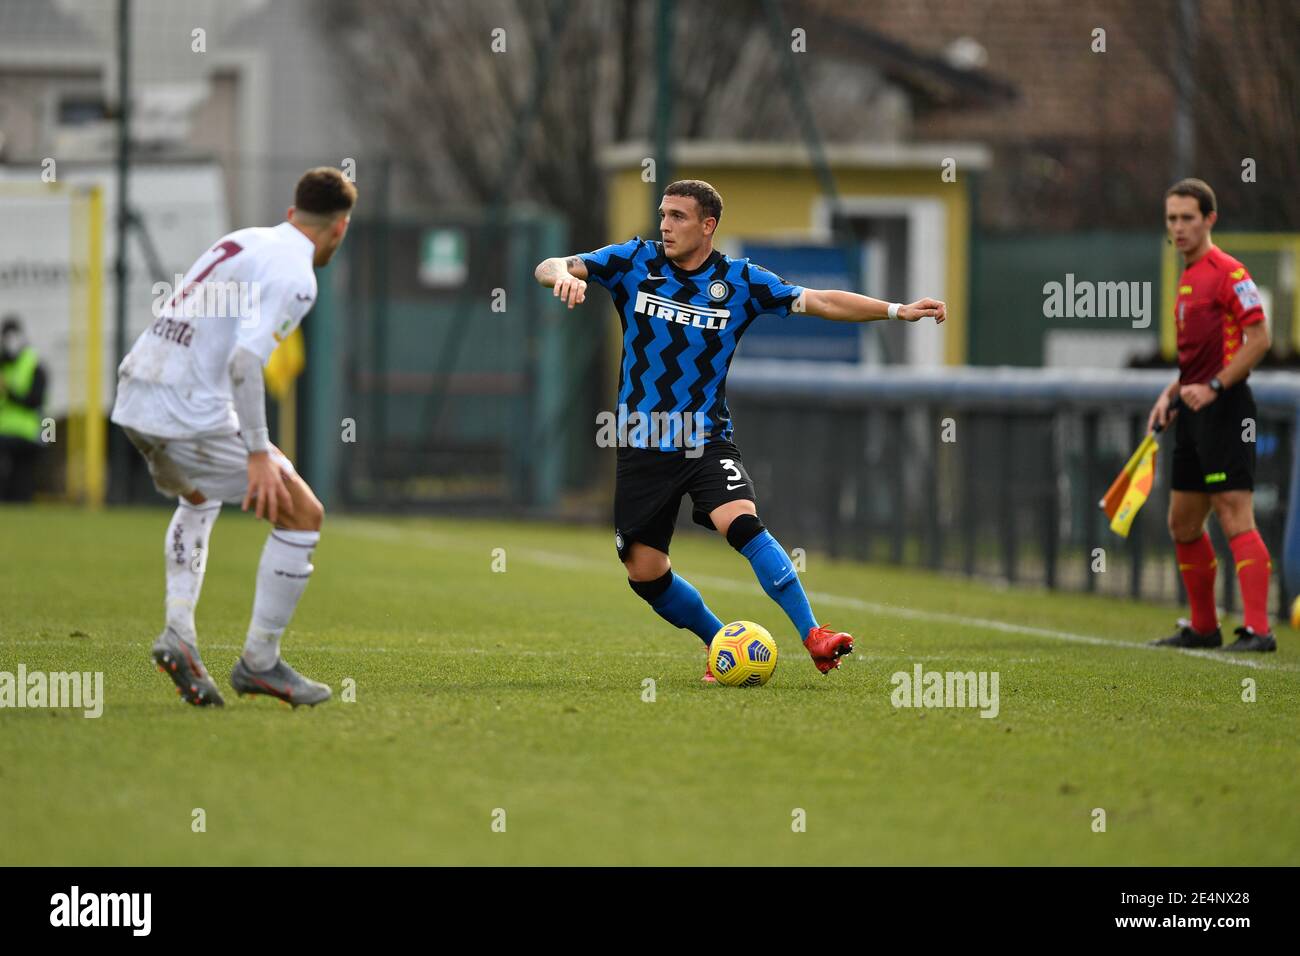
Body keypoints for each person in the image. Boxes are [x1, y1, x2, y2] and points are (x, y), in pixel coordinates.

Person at [535, 179, 946, 680]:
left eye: (678, 216)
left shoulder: (741, 281)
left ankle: (814, 634)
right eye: (663, 214)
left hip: (706, 437)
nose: (665, 225)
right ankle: (720, 642)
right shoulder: (632, 261)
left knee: (742, 521)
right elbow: (549, 266)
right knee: (644, 573)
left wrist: (896, 310)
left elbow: (819, 301)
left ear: (708, 226)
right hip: (642, 441)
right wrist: (564, 276)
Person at [110, 166, 356, 705]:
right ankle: (261, 663)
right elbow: (246, 364)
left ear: (292, 213)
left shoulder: (241, 240)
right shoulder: (298, 274)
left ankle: (180, 632)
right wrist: (258, 452)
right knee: (303, 515)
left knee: (196, 497)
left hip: (135, 395)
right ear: (339, 228)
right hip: (188, 413)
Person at [1148, 177, 1275, 652]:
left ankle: (1259, 630)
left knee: (1234, 515)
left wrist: (1216, 386)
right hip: (1194, 409)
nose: (1178, 227)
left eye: (1187, 218)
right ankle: (1203, 627)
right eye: (1172, 219)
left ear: (1209, 220)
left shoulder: (1229, 273)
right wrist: (1172, 393)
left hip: (1226, 410)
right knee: (1182, 522)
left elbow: (1259, 339)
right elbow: (1196, 360)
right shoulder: (1186, 276)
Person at [0, 315, 48, 501]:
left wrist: (9, 392)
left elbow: (36, 400)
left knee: (22, 483)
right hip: (4, 433)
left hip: (29, 435)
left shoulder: (34, 365)